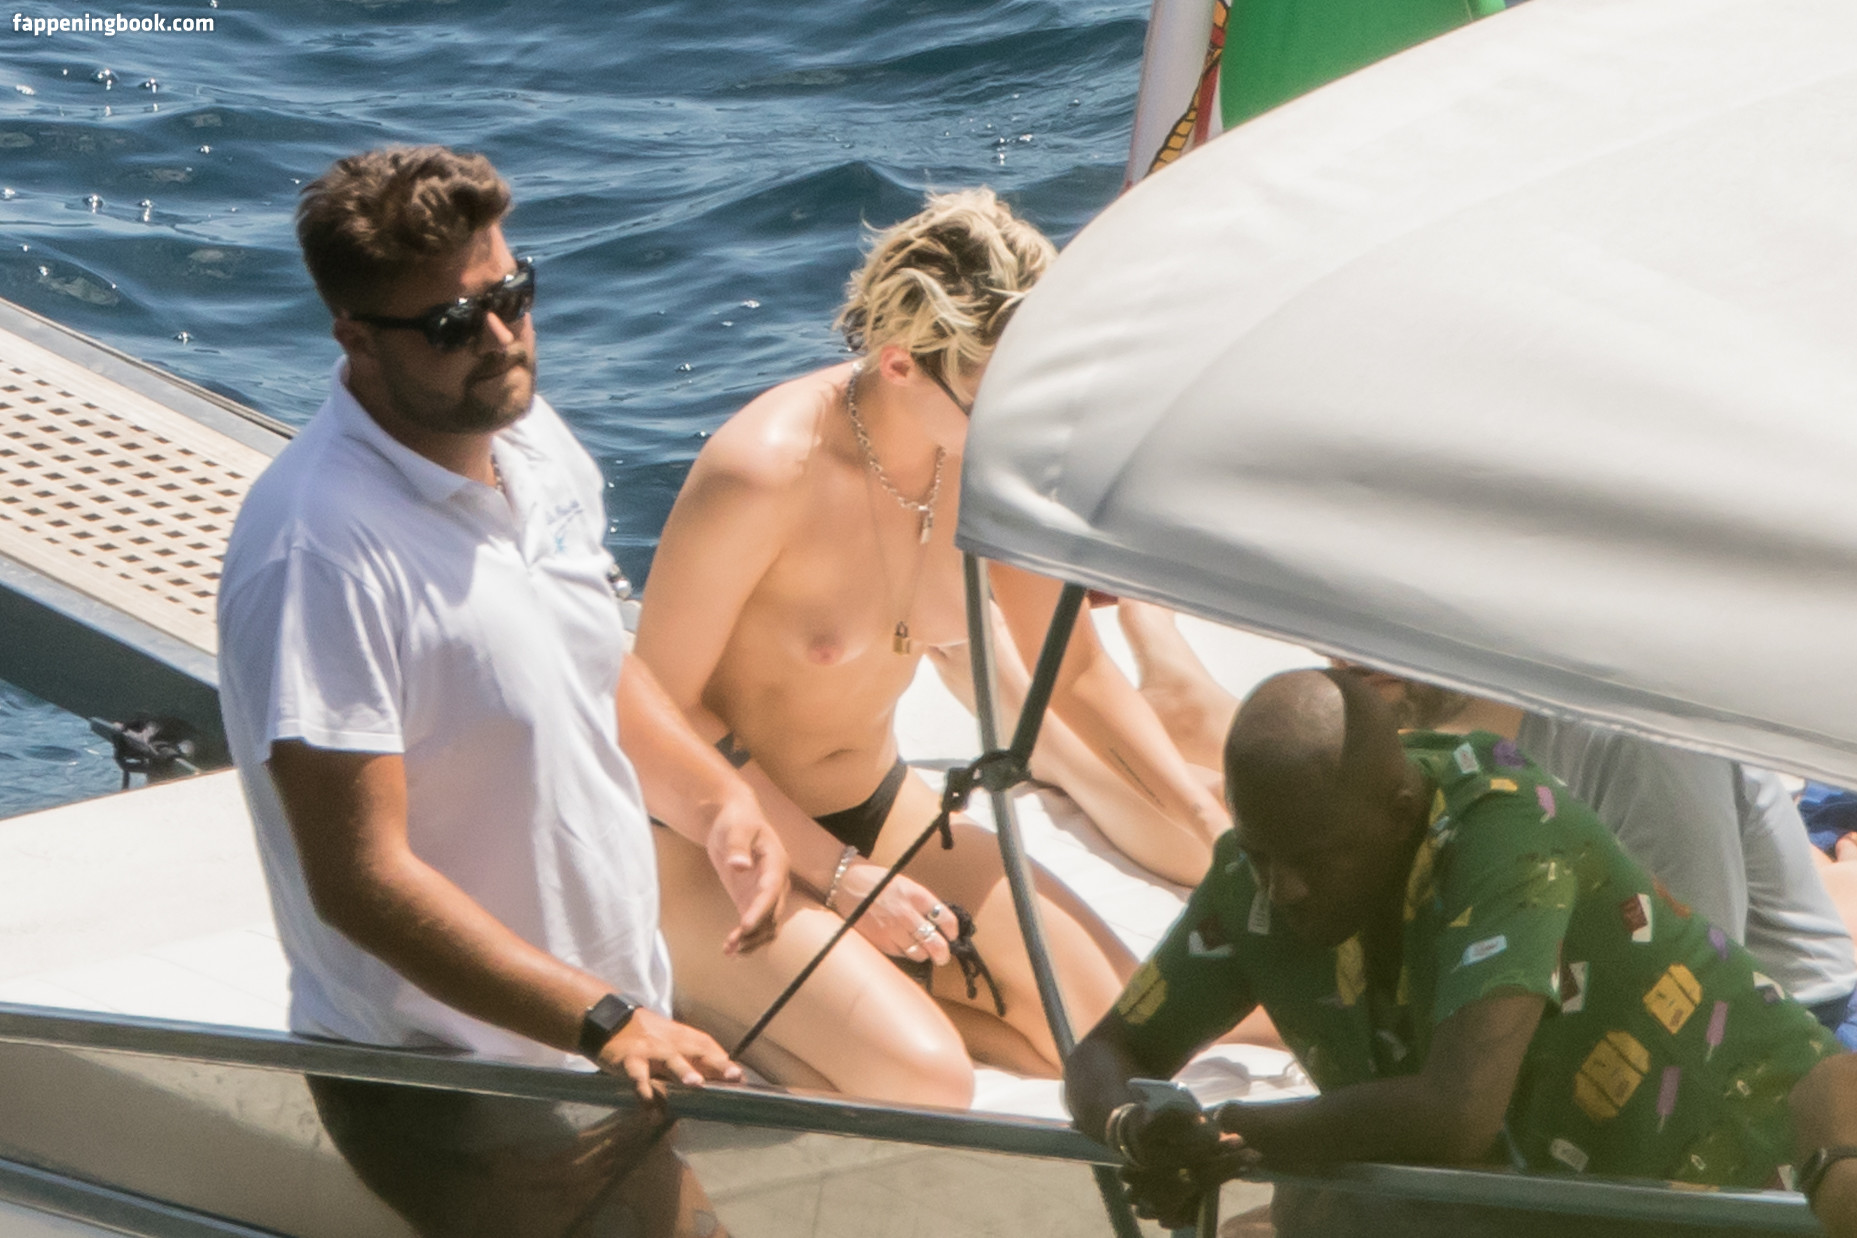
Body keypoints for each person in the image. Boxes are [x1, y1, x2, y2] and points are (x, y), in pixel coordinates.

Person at [217, 145, 788, 1235]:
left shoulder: (526, 435)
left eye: (512, 294)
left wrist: (715, 799)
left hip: (600, 1044)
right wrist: (604, 1020)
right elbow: (360, 879)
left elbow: (585, 659)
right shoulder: (318, 551)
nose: (500, 337)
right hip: (457, 1087)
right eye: (450, 323)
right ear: (355, 337)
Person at [634, 189, 1229, 1099]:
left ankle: (859, 995)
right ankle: (713, 988)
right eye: (994, 398)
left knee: (1117, 1039)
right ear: (900, 365)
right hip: (711, 841)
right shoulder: (767, 471)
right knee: (925, 1081)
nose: (1019, 422)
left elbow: (1072, 672)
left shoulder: (997, 458)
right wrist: (839, 880)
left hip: (878, 806)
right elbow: (653, 711)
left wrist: (1207, 829)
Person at [1064, 668, 1841, 1227]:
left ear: (1403, 811)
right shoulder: (1262, 867)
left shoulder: (1507, 825)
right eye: (1260, 855)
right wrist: (1139, 1131)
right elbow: (1107, 1051)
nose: (1283, 888)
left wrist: (1230, 1133)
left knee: (1318, 1209)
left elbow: (1457, 1113)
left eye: (1313, 860)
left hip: (1767, 1181)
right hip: (1566, 1199)